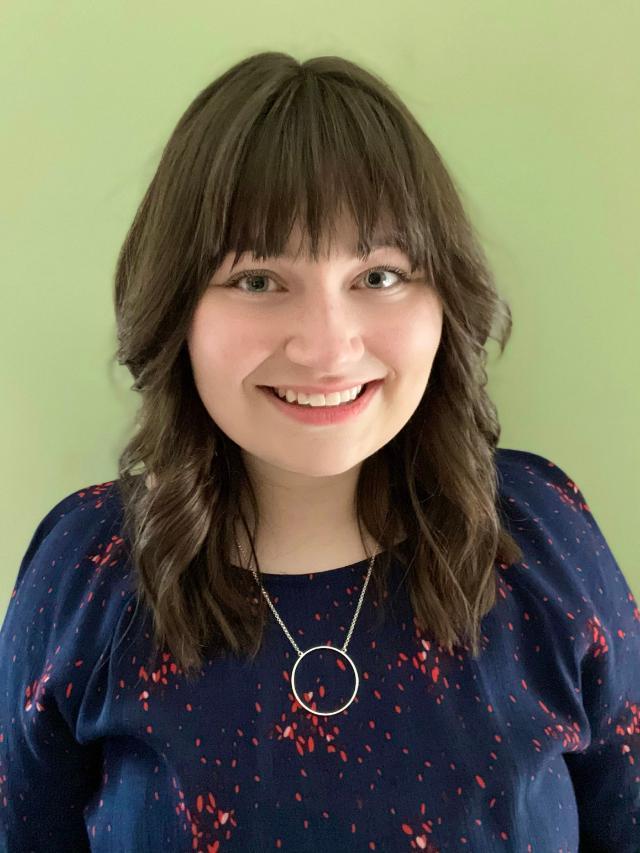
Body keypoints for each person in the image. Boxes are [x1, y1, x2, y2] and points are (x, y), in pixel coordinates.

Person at [0, 51, 638, 853]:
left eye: (379, 274)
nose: (328, 348)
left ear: (447, 295)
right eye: (260, 280)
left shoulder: (545, 542)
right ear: (178, 308)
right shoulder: (86, 574)